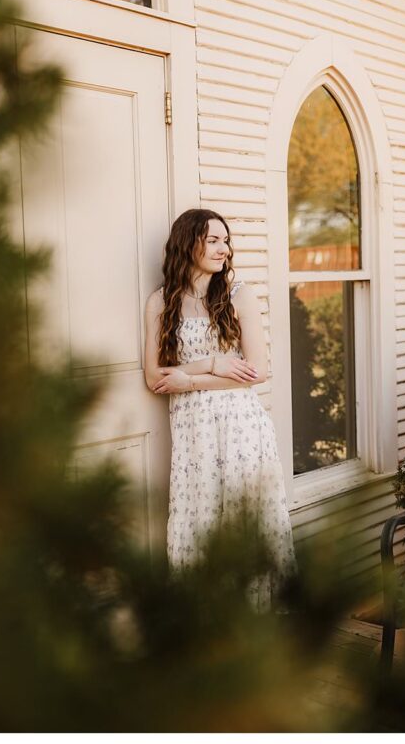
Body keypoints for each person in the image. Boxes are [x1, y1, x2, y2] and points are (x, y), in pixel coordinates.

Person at [143, 208, 296, 609]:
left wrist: (189, 380)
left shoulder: (238, 295)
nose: (223, 249)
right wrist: (212, 363)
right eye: (212, 240)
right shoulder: (161, 302)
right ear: (187, 244)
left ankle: (256, 623)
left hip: (241, 426)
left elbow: (257, 371)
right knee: (200, 520)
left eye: (225, 241)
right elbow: (155, 376)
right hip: (194, 432)